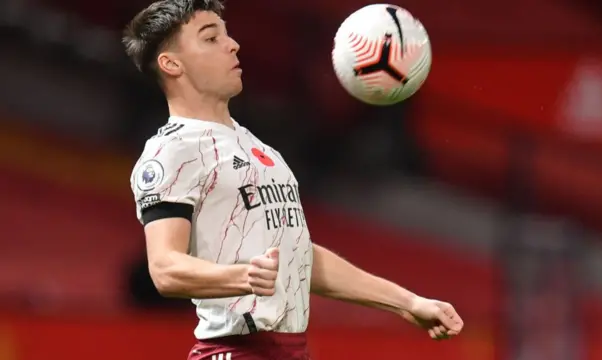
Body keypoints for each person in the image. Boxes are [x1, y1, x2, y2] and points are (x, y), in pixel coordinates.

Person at [123, 1, 464, 359]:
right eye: (211, 38)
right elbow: (164, 268)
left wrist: (407, 303)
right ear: (172, 63)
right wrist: (241, 276)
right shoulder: (173, 151)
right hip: (234, 351)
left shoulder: (263, 152)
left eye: (226, 33)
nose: (232, 44)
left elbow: (298, 257)